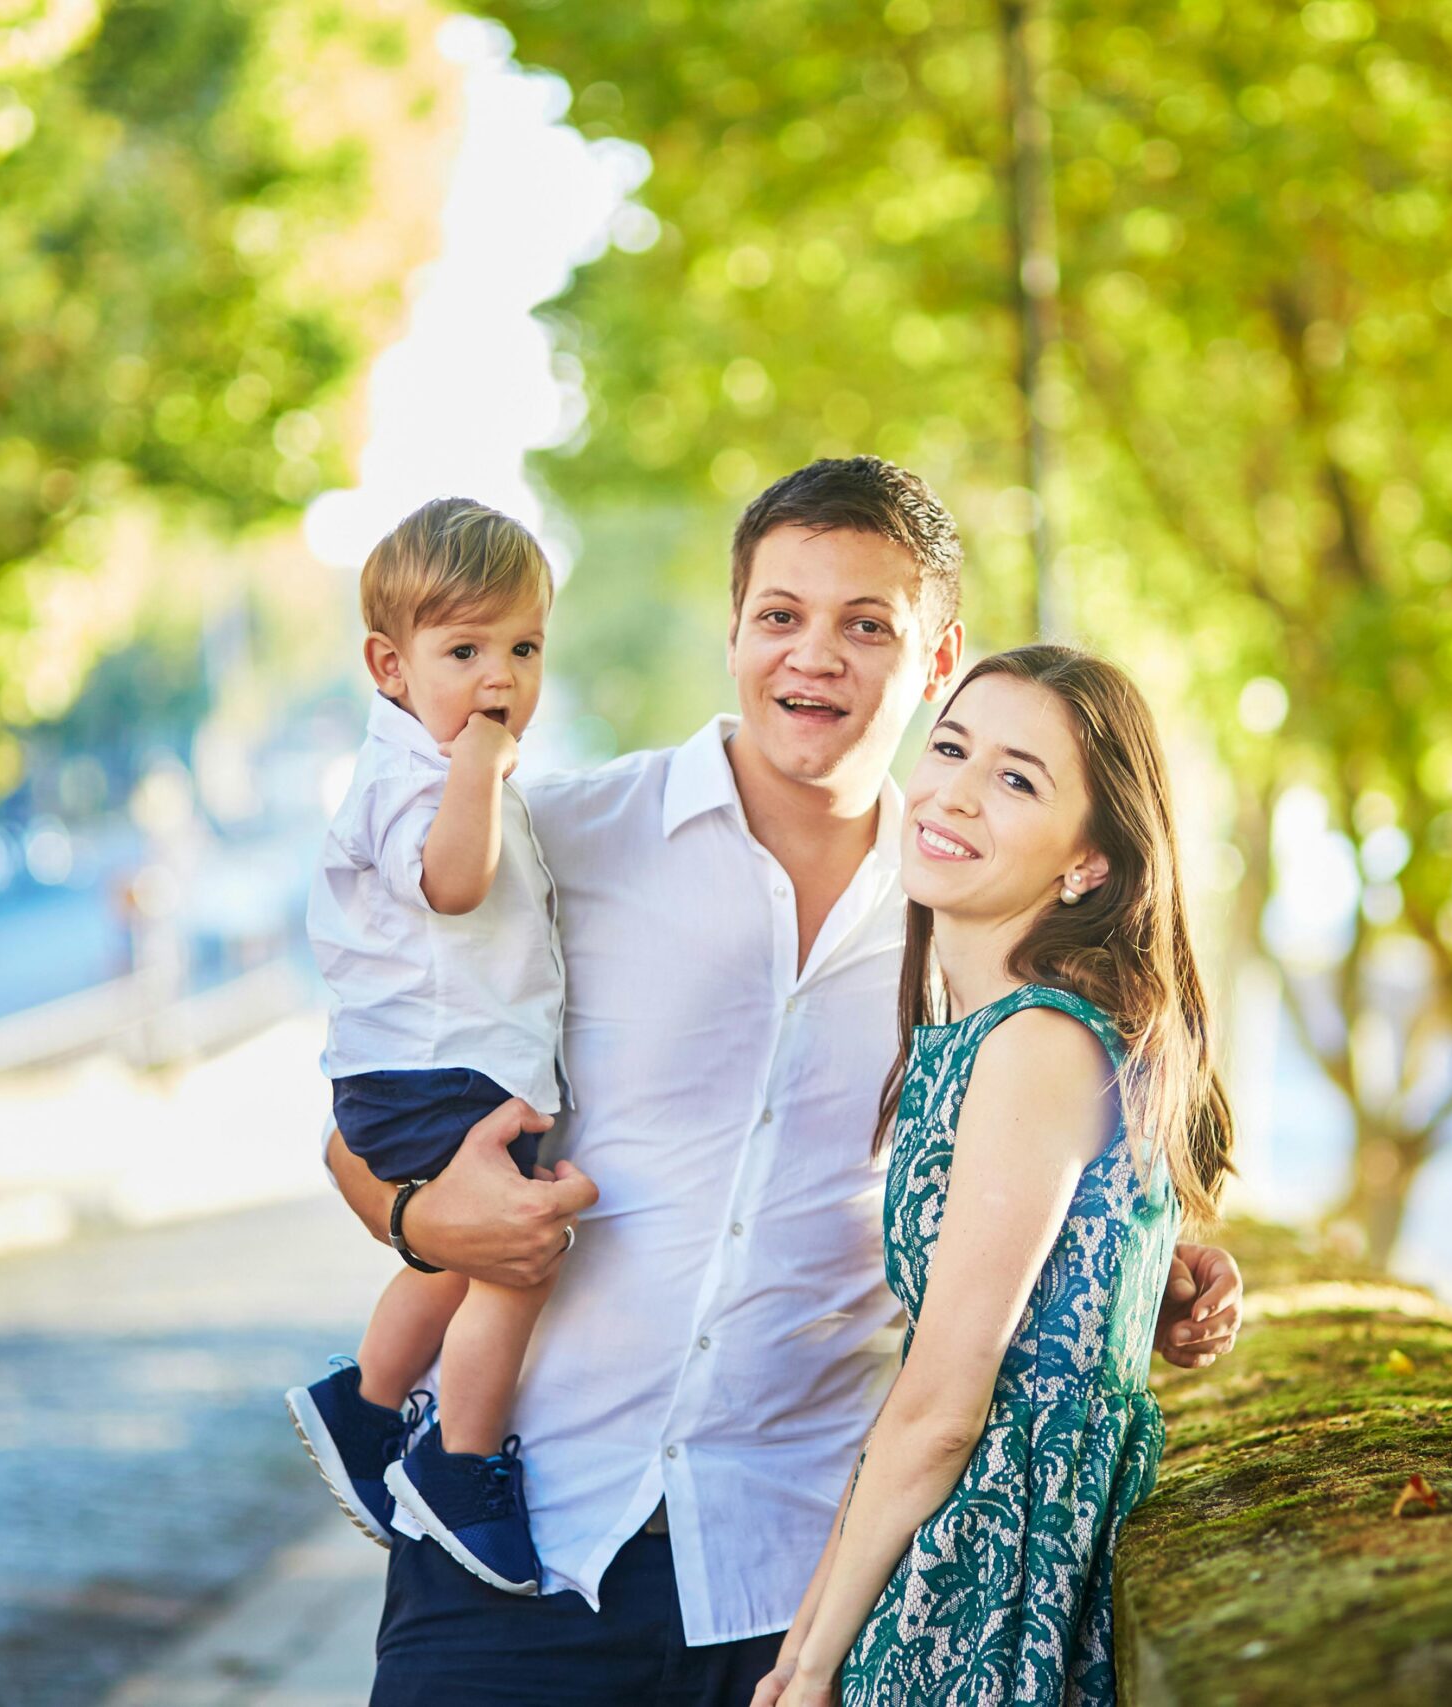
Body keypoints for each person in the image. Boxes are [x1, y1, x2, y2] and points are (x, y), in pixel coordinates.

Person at [322, 458, 1245, 1707]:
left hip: (786, 1582)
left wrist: (1149, 1255)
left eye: (867, 625)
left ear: (936, 658)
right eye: (780, 616)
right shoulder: (560, 838)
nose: (814, 656)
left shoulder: (967, 922)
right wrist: (424, 1219)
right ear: (735, 631)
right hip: (510, 1545)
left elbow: (1023, 1165)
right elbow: (371, 1093)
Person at [754, 645, 1229, 1707]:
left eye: (1017, 779)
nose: (954, 793)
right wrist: (801, 1647)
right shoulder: (980, 1037)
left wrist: (812, 1664)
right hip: (949, 1537)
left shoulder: (1037, 1044)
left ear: (1087, 864)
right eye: (953, 747)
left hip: (989, 1568)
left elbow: (940, 1407)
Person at [288, 498, 569, 1596]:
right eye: (464, 651)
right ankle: (460, 1463)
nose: (499, 679)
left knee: (455, 1260)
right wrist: (478, 773)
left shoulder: (450, 770)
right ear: (389, 666)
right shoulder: (417, 778)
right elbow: (454, 886)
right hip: (433, 1072)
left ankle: (362, 1407)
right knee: (513, 1261)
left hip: (441, 1069)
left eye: (524, 648)